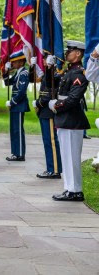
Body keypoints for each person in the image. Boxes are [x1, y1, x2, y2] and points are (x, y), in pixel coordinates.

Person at [47, 40, 90, 202]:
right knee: (66, 156)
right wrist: (48, 67)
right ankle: (69, 188)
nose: (66, 53)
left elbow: (72, 99)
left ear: (78, 53)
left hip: (72, 121)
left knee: (71, 157)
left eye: (69, 51)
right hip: (65, 120)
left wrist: (56, 106)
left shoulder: (79, 73)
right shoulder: (68, 72)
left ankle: (75, 191)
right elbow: (49, 84)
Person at [32, 54, 62, 179]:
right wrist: (32, 67)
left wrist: (38, 103)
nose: (43, 61)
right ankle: (51, 168)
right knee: (47, 141)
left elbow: (50, 93)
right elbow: (31, 78)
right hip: (43, 112)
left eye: (44, 59)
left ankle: (54, 170)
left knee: (51, 141)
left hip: (48, 112)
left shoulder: (54, 75)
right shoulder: (46, 74)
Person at [3, 51, 29, 161]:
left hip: (19, 105)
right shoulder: (18, 73)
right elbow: (7, 82)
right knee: (13, 130)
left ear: (21, 62)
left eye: (14, 62)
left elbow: (22, 92)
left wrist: (12, 102)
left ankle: (19, 154)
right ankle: (15, 152)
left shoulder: (24, 73)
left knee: (17, 130)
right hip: (16, 106)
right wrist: (6, 72)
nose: (12, 64)